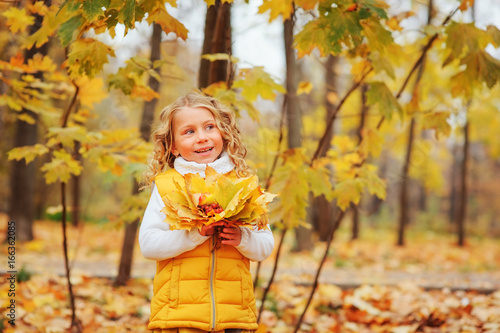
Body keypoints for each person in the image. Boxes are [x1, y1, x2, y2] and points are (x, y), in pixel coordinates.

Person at [139, 91, 275, 333]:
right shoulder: (167, 186)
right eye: (189, 131)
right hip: (180, 314)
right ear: (173, 146)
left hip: (234, 314)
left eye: (209, 127)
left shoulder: (242, 184)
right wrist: (195, 234)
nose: (202, 137)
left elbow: (265, 245)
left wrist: (242, 238)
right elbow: (149, 245)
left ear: (223, 132)